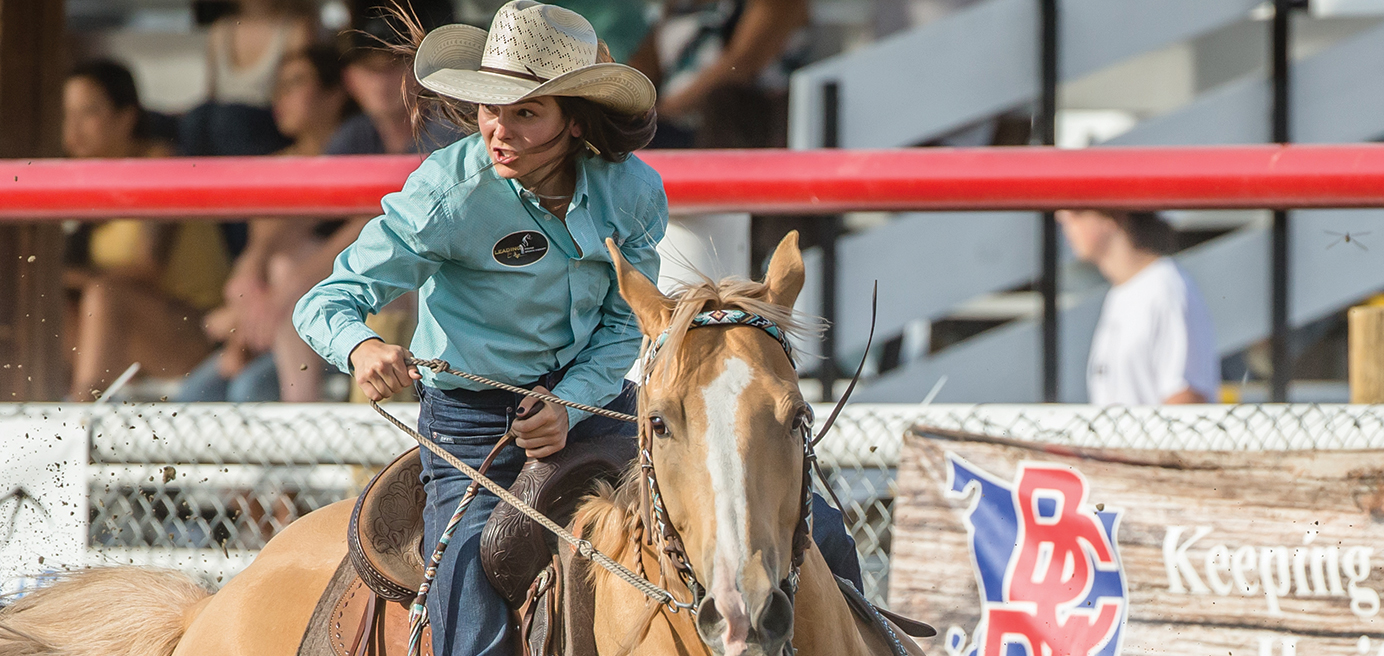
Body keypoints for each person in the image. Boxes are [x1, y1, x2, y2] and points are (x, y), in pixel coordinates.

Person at [292, 3, 862, 654]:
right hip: (476, 433)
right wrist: (361, 346)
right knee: (472, 574)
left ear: (574, 119)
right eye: (489, 109)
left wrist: (569, 404)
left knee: (824, 531)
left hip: (599, 409)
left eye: (524, 113)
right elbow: (327, 300)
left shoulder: (633, 192)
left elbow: (627, 324)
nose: (498, 132)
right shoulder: (446, 196)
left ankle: (876, 637)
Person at [179, 45, 359, 402]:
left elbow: (361, 234)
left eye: (296, 83)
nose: (282, 96)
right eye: (278, 85)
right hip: (269, 327)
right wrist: (241, 325)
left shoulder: (361, 155)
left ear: (336, 93)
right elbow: (254, 268)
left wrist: (247, 315)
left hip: (338, 321)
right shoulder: (276, 167)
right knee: (194, 393)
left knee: (247, 389)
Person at [62, 60, 232, 400]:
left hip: (196, 331)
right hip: (131, 336)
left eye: (89, 112)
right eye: (67, 115)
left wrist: (65, 277)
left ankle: (79, 417)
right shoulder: (79, 179)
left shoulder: (160, 166)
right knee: (49, 301)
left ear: (126, 118)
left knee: (104, 294)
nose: (74, 128)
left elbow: (148, 268)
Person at [1056, 209, 1220, 405]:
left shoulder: (1165, 289)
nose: (1063, 217)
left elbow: (1186, 398)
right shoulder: (1121, 292)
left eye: (1078, 212)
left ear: (1113, 217)